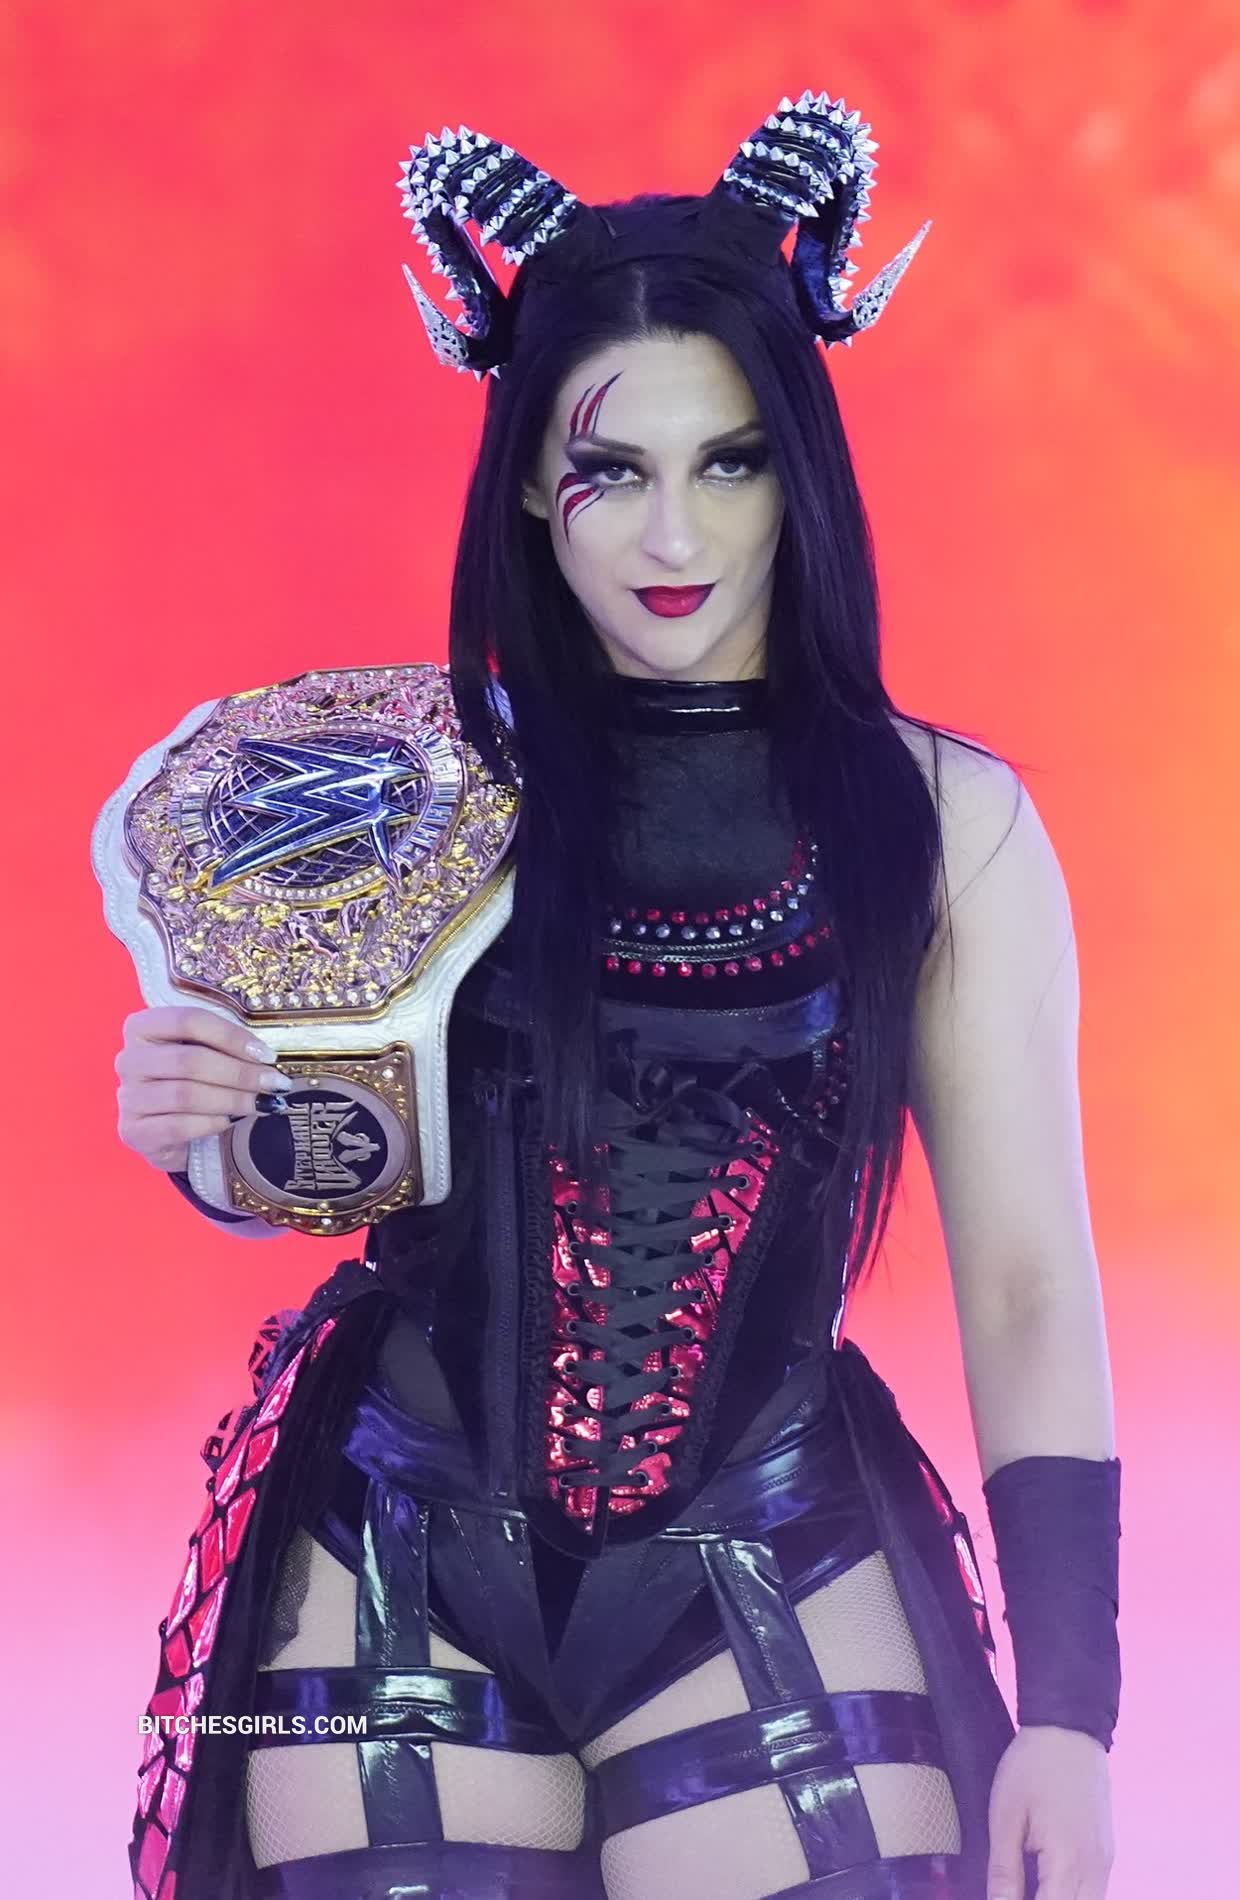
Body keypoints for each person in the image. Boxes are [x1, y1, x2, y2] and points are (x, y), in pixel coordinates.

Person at [113, 90, 1119, 1900]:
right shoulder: (406, 785)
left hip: (776, 1537)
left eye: (730, 462)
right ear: (527, 484)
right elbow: (327, 1146)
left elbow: (1032, 1279)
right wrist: (206, 1134)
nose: (676, 533)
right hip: (399, 1530)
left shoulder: (945, 825)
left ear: (801, 470)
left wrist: (1074, 1707)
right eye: (612, 469)